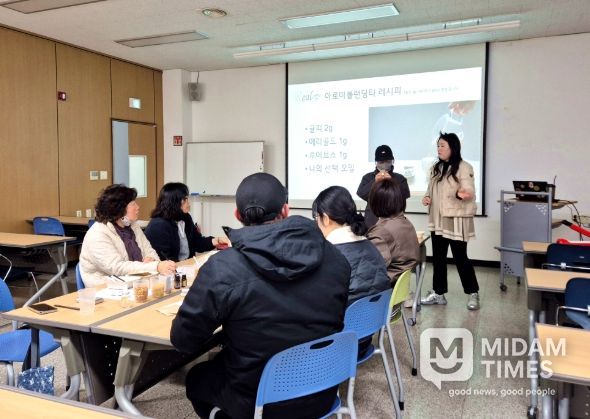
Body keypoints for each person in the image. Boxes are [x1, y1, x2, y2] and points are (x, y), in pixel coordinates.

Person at [170, 173, 351, 419]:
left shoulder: (223, 267)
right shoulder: (336, 259)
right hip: (323, 391)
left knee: (197, 377)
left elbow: (183, 340)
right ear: (285, 210)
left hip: (257, 401)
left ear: (237, 215)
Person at [420, 132, 480, 310]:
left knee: (460, 258)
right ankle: (439, 293)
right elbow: (430, 189)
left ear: (453, 148)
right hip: (438, 219)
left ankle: (473, 293)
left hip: (456, 219)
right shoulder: (436, 167)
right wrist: (427, 197)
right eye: (438, 146)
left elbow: (469, 191)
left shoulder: (464, 167)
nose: (439, 149)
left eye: (442, 146)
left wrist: (464, 194)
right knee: (438, 258)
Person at [79, 184, 176, 288]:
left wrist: (151, 259)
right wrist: (153, 266)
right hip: (106, 288)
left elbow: (150, 251)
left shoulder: (133, 226)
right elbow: (116, 267)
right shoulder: (98, 233)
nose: (138, 207)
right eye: (133, 204)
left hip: (136, 282)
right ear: (119, 209)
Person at [312, 185, 390, 305]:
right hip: (377, 314)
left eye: (316, 217)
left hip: (344, 315)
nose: (316, 222)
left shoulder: (329, 254)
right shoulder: (370, 246)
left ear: (326, 219)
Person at [144, 182, 228, 261]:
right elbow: (164, 259)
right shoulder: (158, 225)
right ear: (174, 202)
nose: (189, 203)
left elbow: (197, 242)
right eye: (185, 199)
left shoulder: (185, 217)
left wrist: (217, 240)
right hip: (171, 268)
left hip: (185, 266)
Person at [367, 178, 419, 286]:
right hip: (396, 285)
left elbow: (370, 268)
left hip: (382, 288)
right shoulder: (406, 223)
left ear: (375, 202)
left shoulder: (381, 233)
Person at [357, 144, 410, 229]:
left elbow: (405, 194)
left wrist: (392, 181)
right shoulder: (368, 177)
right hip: (372, 220)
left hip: (394, 219)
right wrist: (374, 181)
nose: (384, 164)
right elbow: (361, 193)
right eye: (381, 162)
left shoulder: (400, 178)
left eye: (387, 161)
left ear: (392, 161)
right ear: (376, 162)